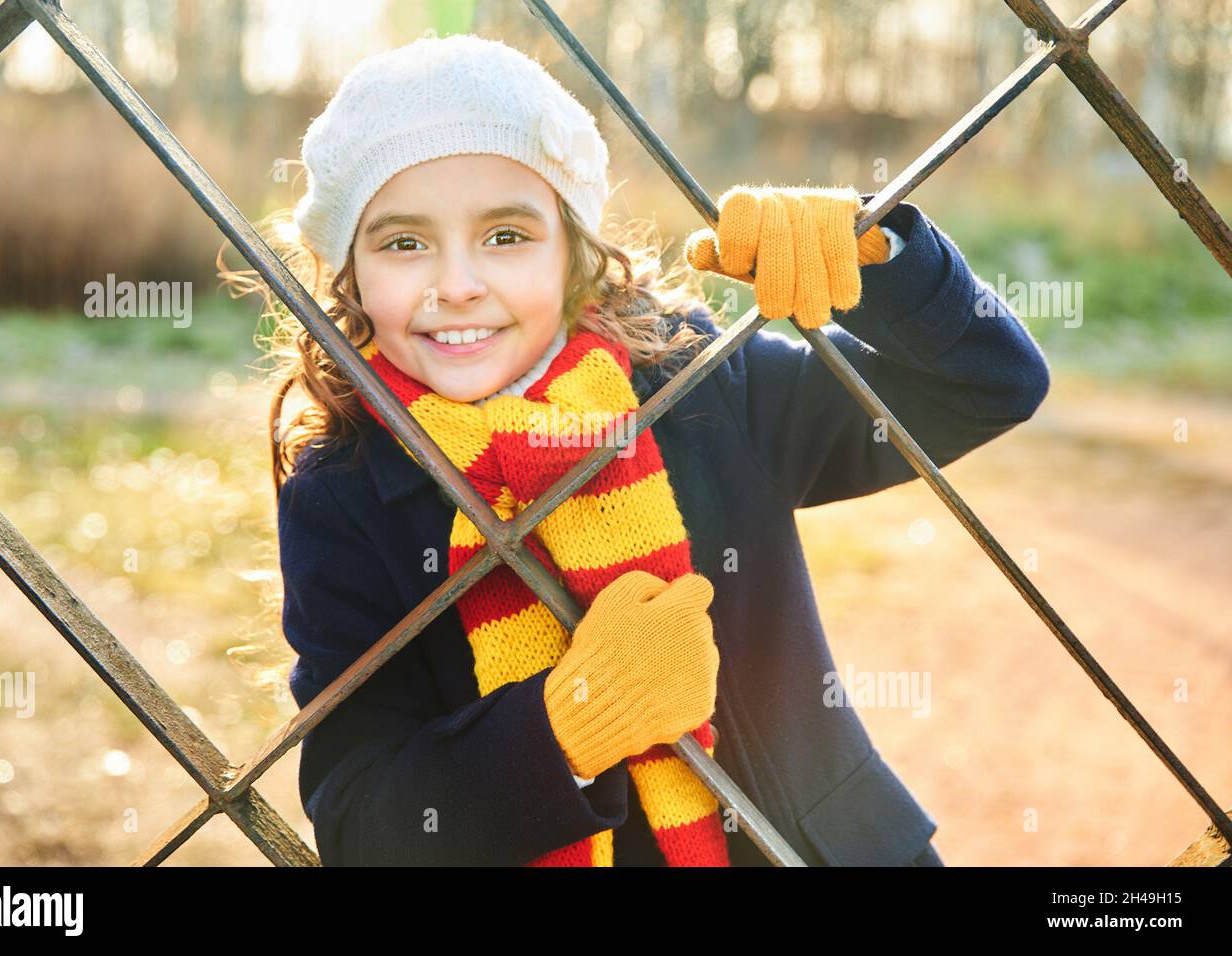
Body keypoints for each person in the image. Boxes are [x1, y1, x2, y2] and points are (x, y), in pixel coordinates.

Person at [242, 33, 1049, 866]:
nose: (456, 284)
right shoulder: (342, 490)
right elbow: (360, 822)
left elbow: (989, 385)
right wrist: (575, 722)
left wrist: (873, 258)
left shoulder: (695, 386)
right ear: (349, 270)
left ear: (574, 251)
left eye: (507, 236)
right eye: (403, 243)